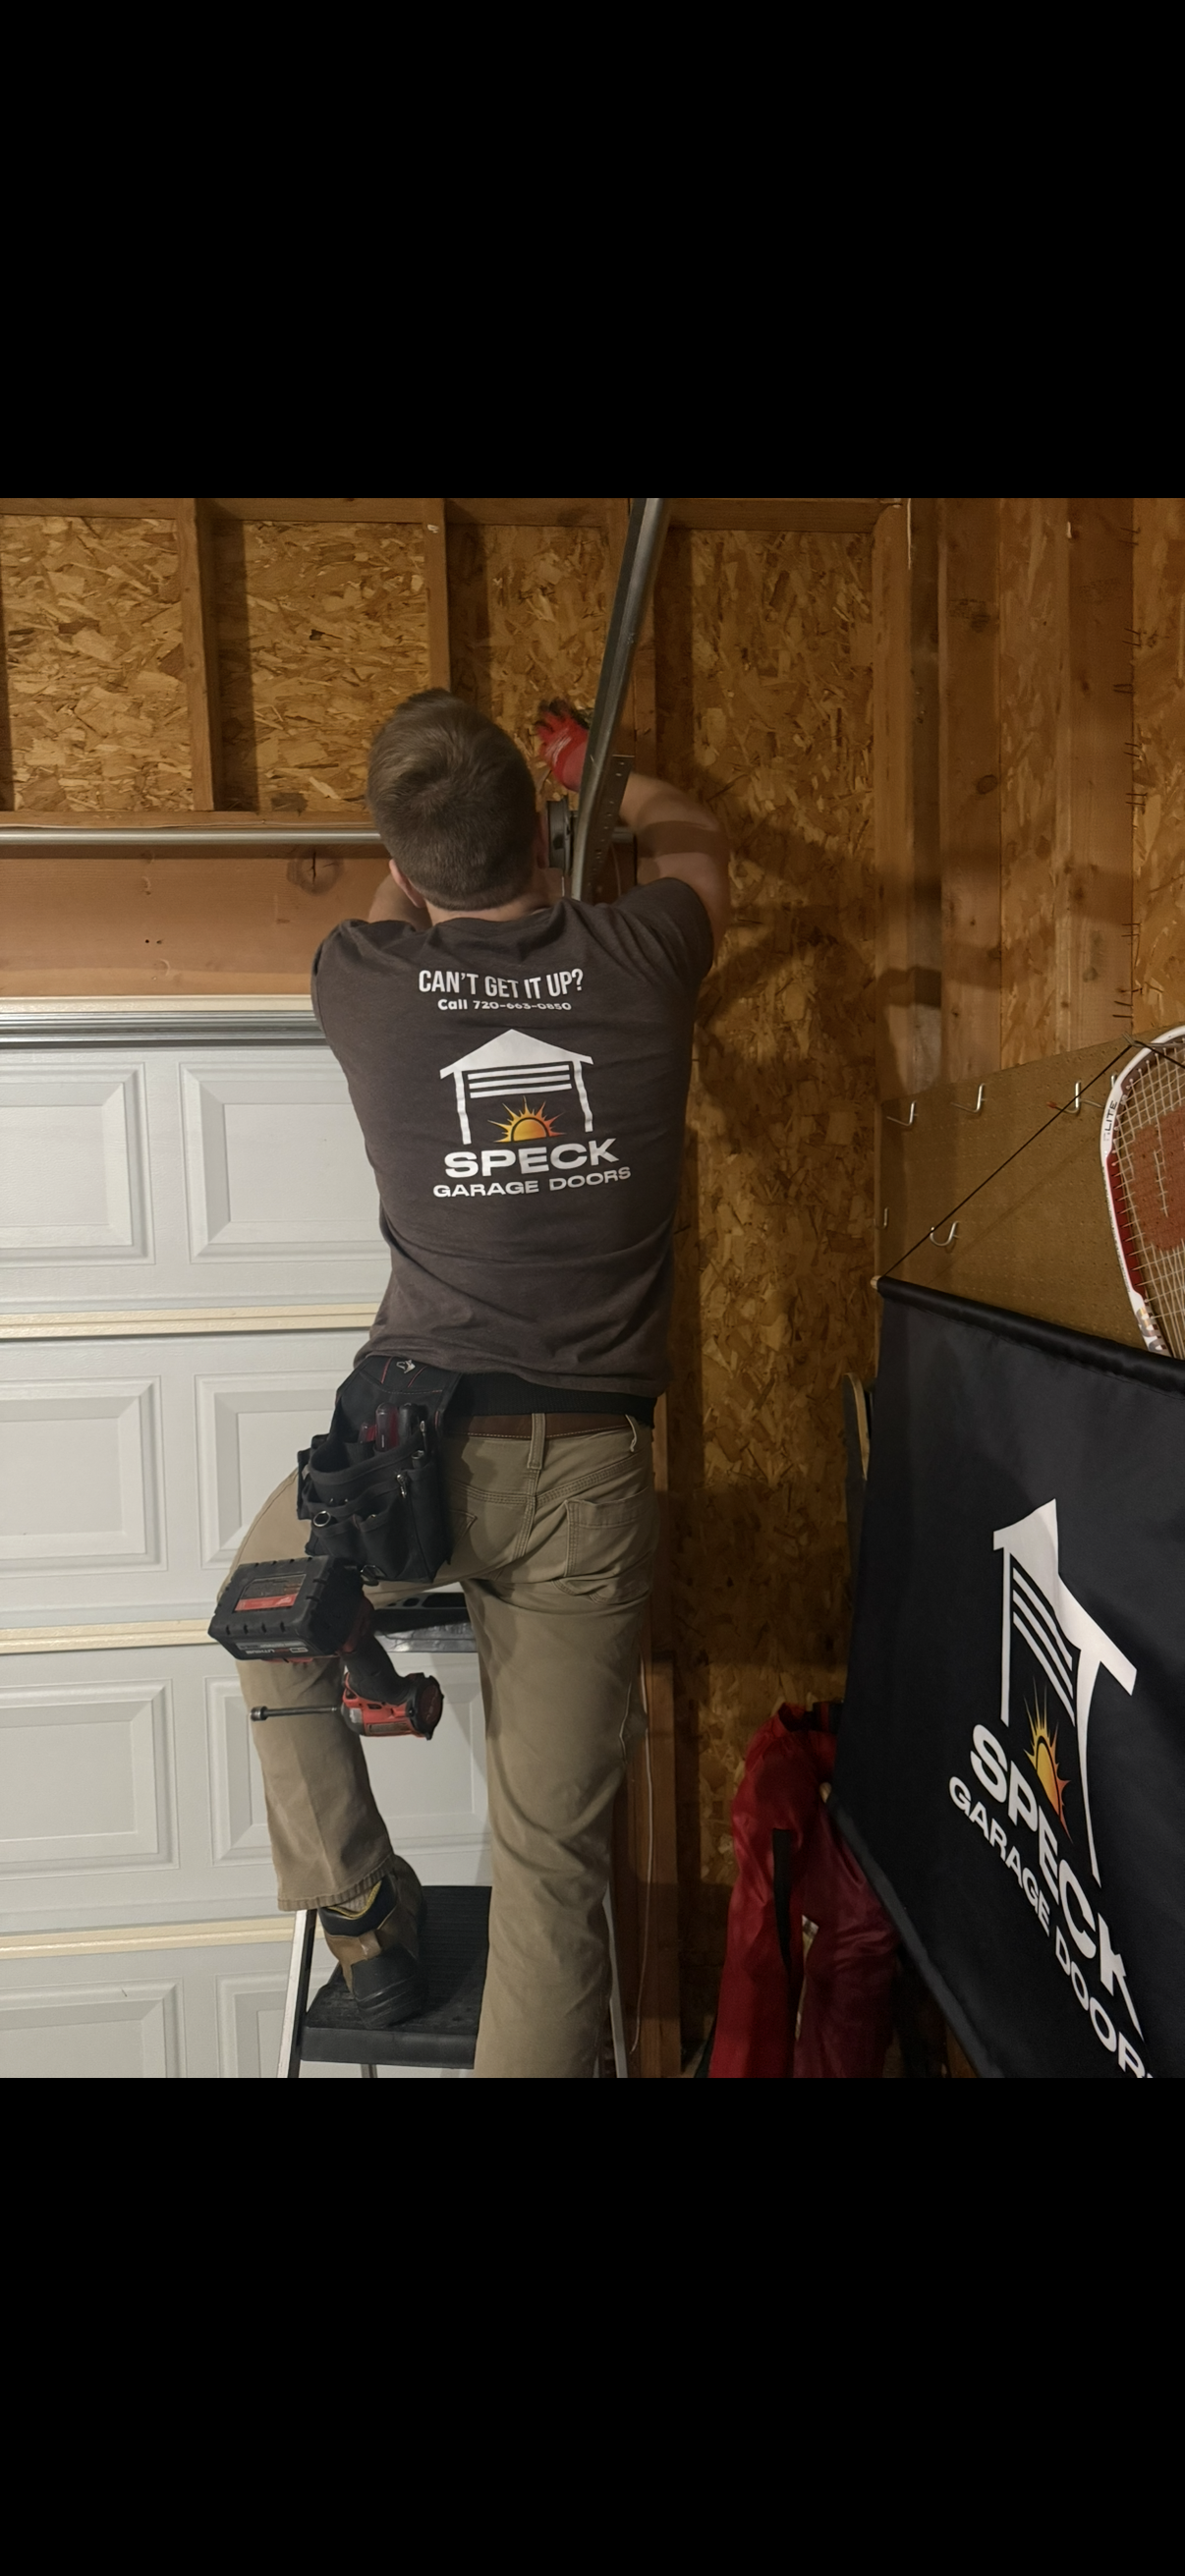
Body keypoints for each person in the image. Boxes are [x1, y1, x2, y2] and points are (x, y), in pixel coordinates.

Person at [227, 690, 730, 2078]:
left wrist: (456, 861)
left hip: (402, 1450)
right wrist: (605, 777)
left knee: (265, 1612)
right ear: (543, 833)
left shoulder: (361, 980)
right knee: (550, 1861)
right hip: (583, 1471)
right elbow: (700, 851)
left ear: (399, 853)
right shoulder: (643, 954)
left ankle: (363, 1917)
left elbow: (411, 900)